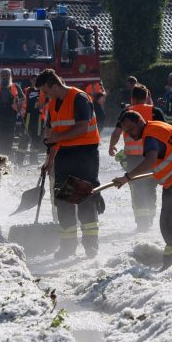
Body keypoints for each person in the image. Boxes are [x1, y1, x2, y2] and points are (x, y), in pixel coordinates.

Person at [112, 111, 172, 269]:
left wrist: (127, 177)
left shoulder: (150, 135)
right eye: (125, 132)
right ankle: (170, 259)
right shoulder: (152, 129)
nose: (128, 134)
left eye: (131, 129)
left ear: (140, 122)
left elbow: (150, 160)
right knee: (167, 221)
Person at [37, 69, 102, 259]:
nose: (45, 95)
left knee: (85, 200)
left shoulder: (79, 98)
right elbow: (53, 137)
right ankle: (67, 247)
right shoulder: (52, 105)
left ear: (55, 86)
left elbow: (82, 128)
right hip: (64, 156)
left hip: (85, 155)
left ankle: (91, 246)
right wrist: (49, 161)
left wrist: (57, 137)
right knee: (63, 201)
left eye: (46, 91)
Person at [108, 84, 166, 231]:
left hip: (132, 158)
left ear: (132, 98)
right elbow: (164, 132)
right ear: (147, 97)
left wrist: (111, 146)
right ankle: (151, 217)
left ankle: (142, 222)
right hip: (152, 156)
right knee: (150, 187)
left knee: (137, 189)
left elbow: (116, 132)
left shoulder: (127, 112)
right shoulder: (155, 111)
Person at [0, 68, 24, 154]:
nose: (5, 77)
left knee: (9, 135)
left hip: (11, 115)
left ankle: (7, 154)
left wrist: (18, 104)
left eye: (7, 75)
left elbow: (23, 98)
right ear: (0, 76)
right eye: (3, 75)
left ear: (10, 76)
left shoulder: (16, 86)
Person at [21, 83, 46, 152]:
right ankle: (19, 159)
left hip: (39, 117)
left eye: (37, 80)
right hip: (28, 116)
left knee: (36, 137)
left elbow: (48, 102)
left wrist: (41, 105)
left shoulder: (44, 91)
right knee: (25, 136)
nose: (35, 81)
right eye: (34, 79)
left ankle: (33, 158)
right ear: (31, 80)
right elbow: (22, 100)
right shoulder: (27, 90)